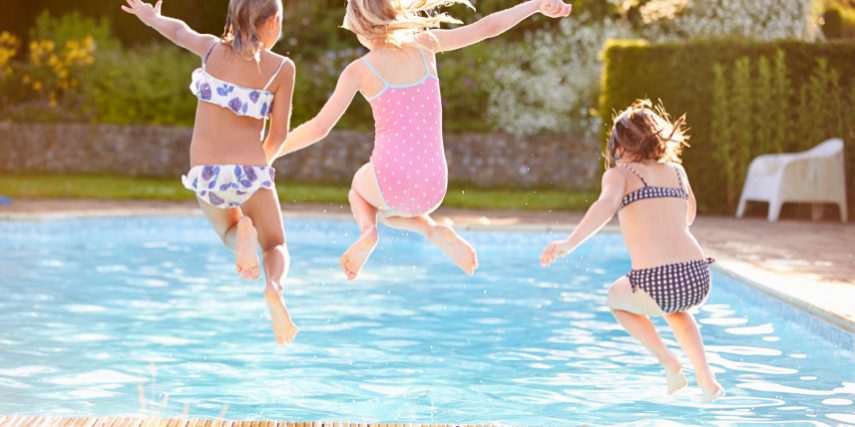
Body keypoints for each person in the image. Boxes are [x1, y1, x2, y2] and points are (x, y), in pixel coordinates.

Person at [271, 0, 572, 281]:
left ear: (360, 27)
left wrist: (269, 150)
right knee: (394, 210)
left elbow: (320, 128)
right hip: (435, 186)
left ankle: (367, 232)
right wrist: (534, 5)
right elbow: (487, 28)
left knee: (360, 194)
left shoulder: (359, 70)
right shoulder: (425, 44)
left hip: (389, 180)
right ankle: (432, 229)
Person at [122, 0, 298, 344]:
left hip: (205, 172)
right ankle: (274, 288)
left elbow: (178, 31)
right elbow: (277, 136)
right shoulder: (282, 68)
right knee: (275, 244)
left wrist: (152, 17)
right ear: (274, 21)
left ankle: (241, 235)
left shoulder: (212, 51)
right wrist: (256, 173)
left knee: (228, 231)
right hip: (250, 170)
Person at [540, 100, 725, 402]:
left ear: (620, 145)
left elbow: (605, 206)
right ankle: (707, 379)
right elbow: (688, 215)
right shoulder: (677, 171)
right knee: (678, 311)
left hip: (657, 280)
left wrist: (568, 243)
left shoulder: (620, 174)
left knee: (616, 299)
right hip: (698, 276)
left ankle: (669, 361)